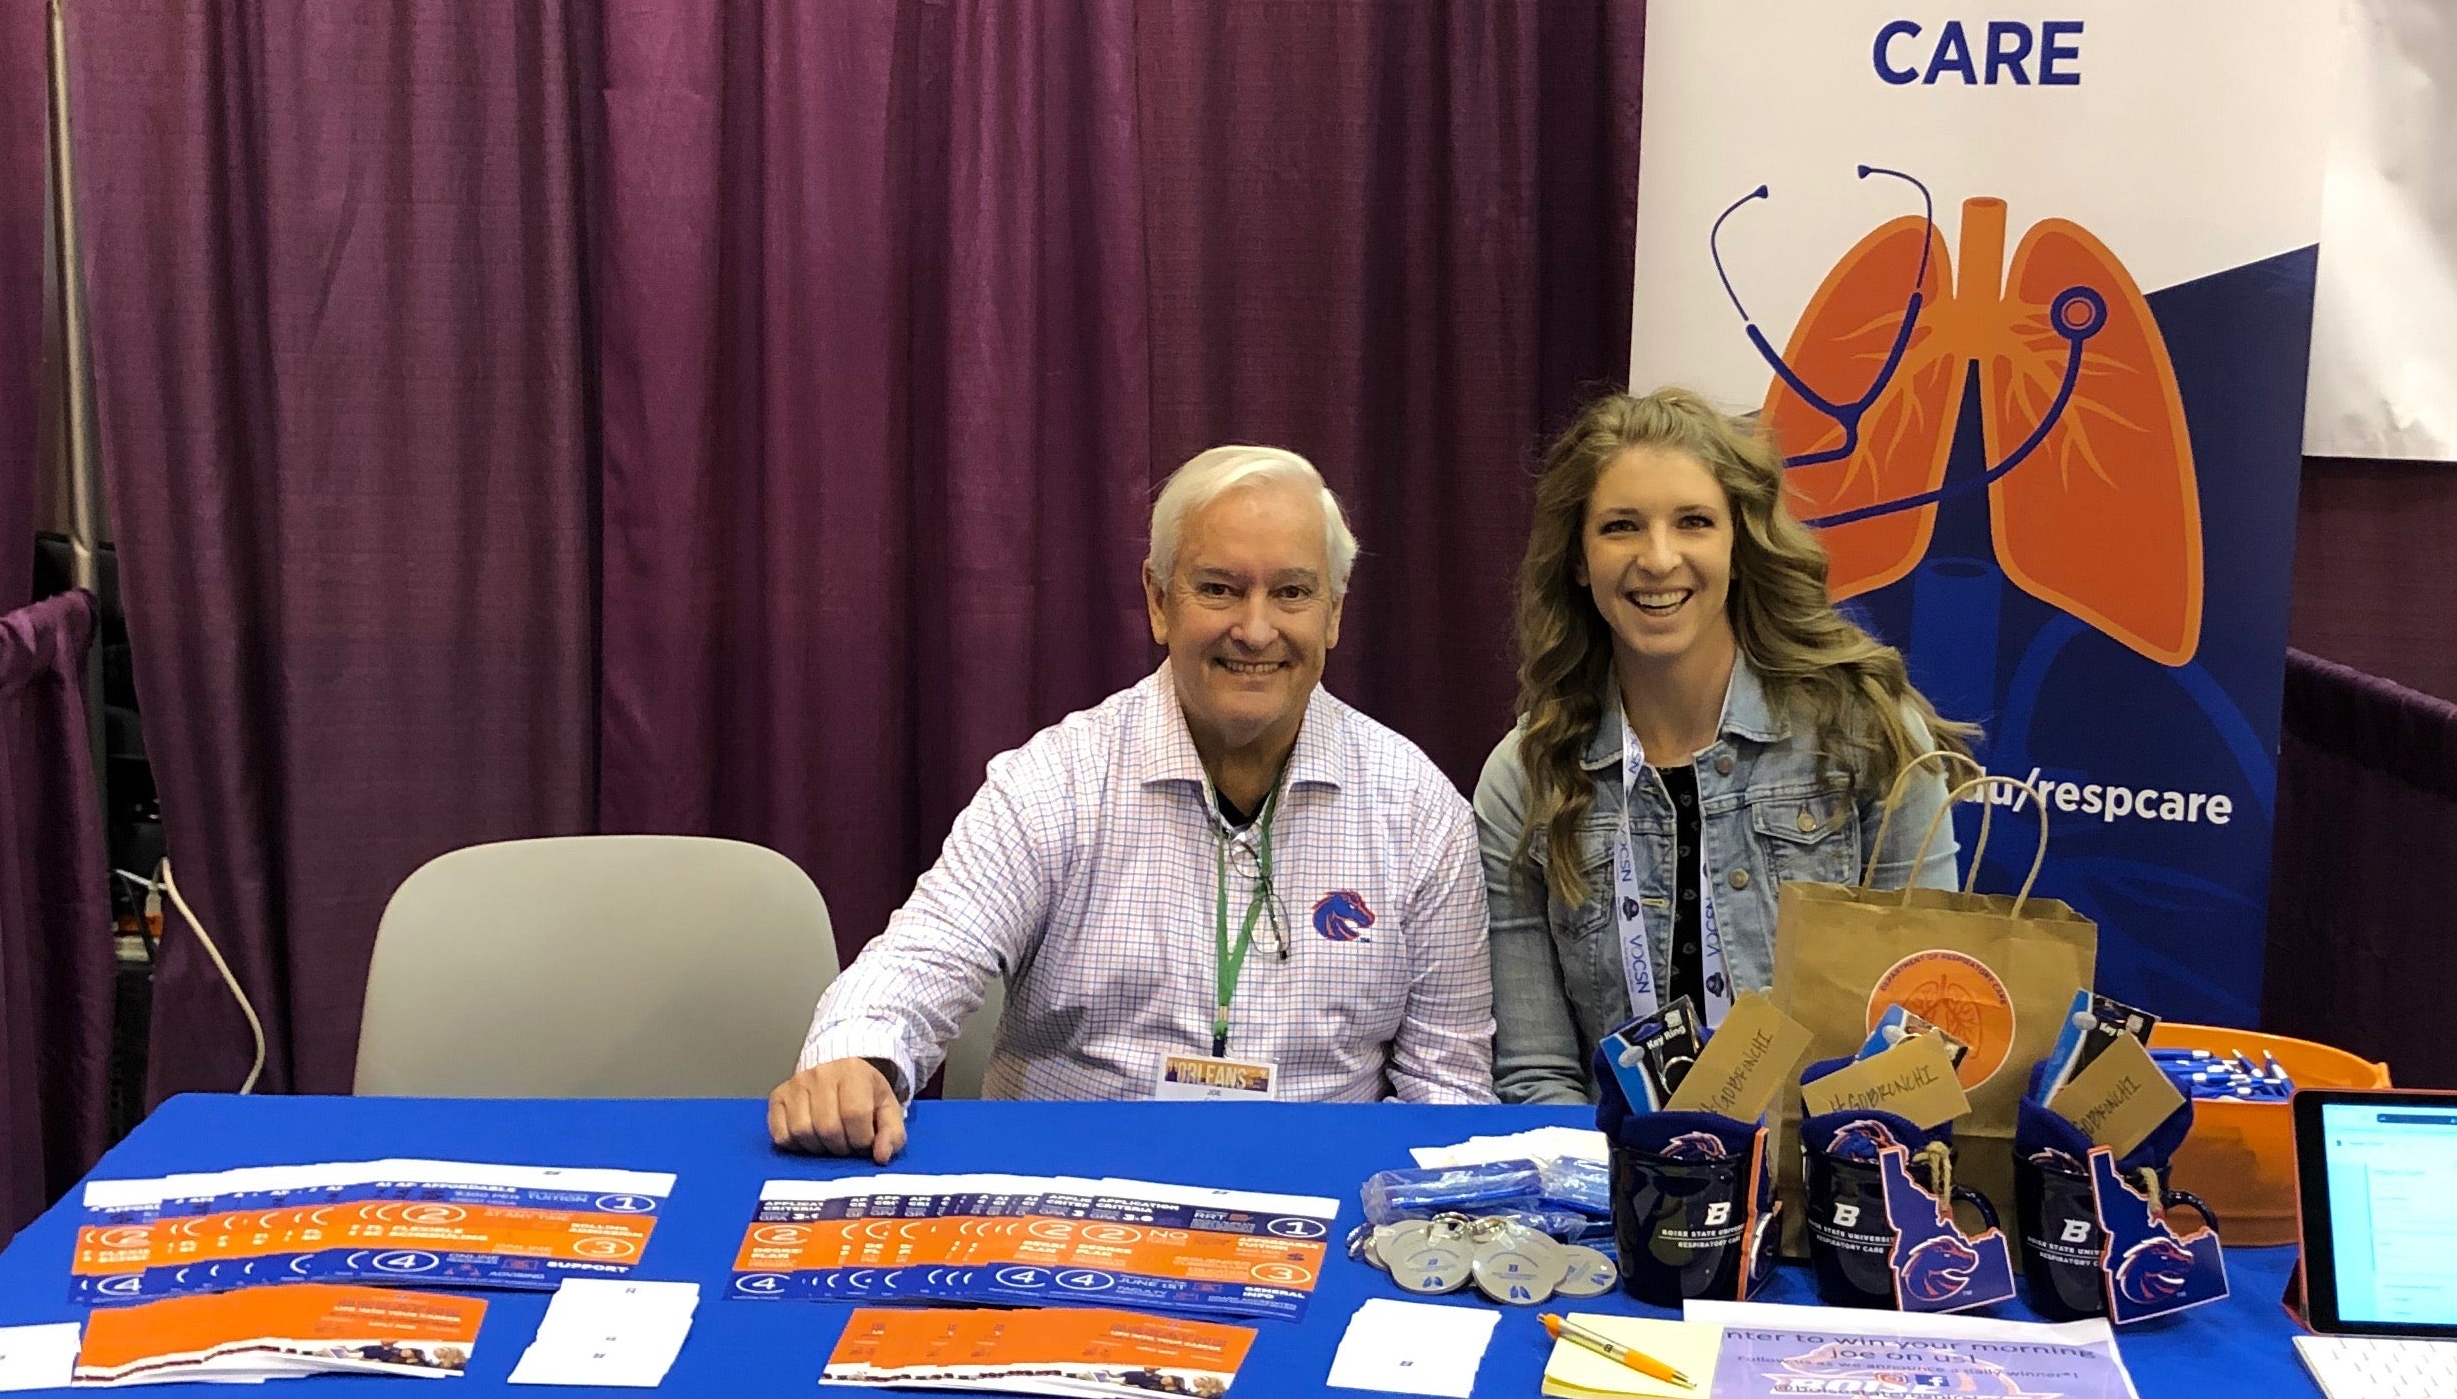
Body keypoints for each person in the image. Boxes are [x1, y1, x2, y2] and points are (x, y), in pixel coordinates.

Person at [768, 444, 1492, 1158]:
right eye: (1219, 588)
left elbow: (1446, 1084)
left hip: (1315, 1217)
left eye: (1292, 592)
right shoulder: (1054, 781)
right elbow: (922, 959)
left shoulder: (1418, 810)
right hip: (1066, 1212)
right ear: (1158, 601)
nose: (1256, 628)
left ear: (1333, 613)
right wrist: (858, 1061)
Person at [1474, 389, 1959, 1105]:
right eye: (1621, 527)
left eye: (1694, 523)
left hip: (1827, 1190)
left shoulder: (1867, 738)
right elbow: (1539, 1076)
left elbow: (1920, 1033)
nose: (1659, 558)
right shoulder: (1526, 777)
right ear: (1579, 559)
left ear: (1741, 543)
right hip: (1615, 1193)